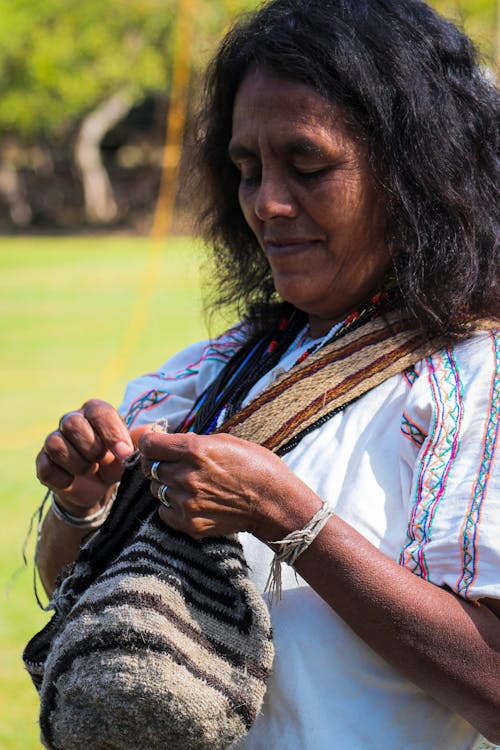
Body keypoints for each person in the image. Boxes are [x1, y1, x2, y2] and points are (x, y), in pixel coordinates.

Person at [33, 0, 499, 748]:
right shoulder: (207, 374)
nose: (270, 204)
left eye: (308, 167)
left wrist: (293, 520)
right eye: (247, 170)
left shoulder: (475, 384)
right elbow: (84, 596)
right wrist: (83, 509)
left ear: (416, 173)